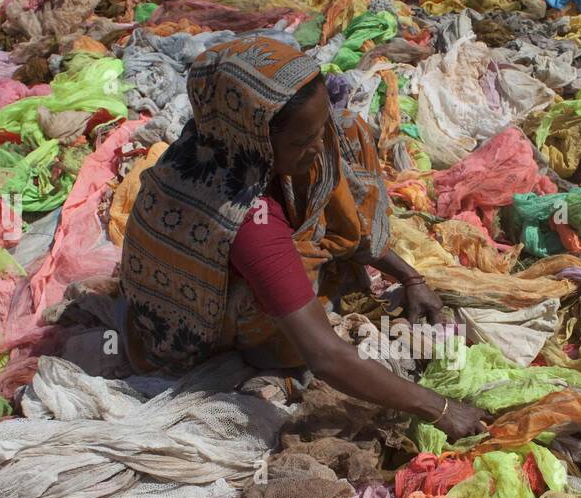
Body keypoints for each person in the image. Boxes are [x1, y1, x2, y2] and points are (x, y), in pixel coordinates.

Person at [120, 34, 488, 439]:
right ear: (254, 138)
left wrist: (410, 277)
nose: (318, 148)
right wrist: (440, 408)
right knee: (297, 336)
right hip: (195, 329)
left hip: (257, 243)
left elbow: (339, 197)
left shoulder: (221, 139)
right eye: (301, 141)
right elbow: (325, 354)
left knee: (347, 132)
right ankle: (266, 340)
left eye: (317, 129)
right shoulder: (247, 220)